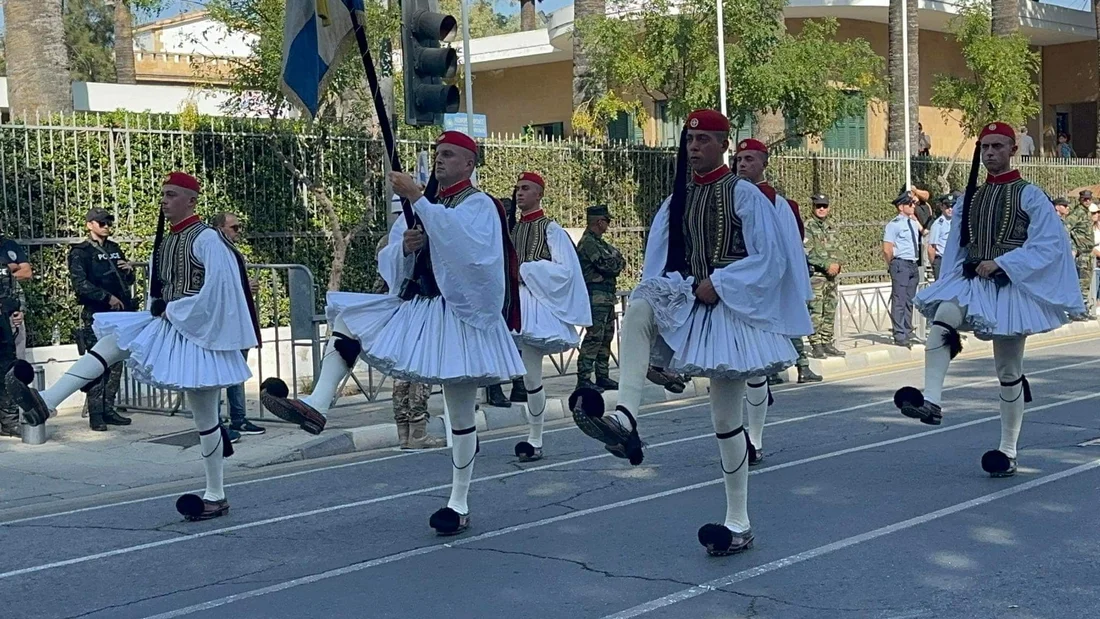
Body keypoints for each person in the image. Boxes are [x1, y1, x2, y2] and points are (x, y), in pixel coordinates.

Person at [260, 131, 524, 536]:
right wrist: (406, 247)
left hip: (461, 317)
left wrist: (418, 200)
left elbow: (471, 253)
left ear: (469, 164)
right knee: (349, 318)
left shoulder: (479, 204)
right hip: (422, 306)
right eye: (437, 153)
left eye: (449, 154)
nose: (440, 159)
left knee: (459, 412)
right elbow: (392, 254)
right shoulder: (427, 203)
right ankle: (317, 404)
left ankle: (459, 502)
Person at [569, 110, 808, 556]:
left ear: (724, 145)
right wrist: (663, 316)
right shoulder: (675, 199)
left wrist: (721, 282)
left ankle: (738, 521)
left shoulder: (744, 195)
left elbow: (770, 259)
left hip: (734, 311)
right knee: (640, 306)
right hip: (691, 298)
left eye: (703, 140)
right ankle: (626, 419)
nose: (694, 147)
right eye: (690, 140)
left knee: (725, 420)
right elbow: (658, 261)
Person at [6, 172, 261, 520]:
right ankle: (47, 401)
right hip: (171, 323)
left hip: (198, 333)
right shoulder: (167, 240)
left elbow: (219, 290)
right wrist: (161, 308)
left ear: (191, 201)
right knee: (113, 343)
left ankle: (215, 494)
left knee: (206, 419)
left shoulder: (207, 239)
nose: (164, 200)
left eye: (172, 195)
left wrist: (173, 310)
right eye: (163, 194)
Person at [894, 122, 1084, 478]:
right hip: (973, 281)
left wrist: (1004, 263)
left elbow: (1048, 245)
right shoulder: (972, 197)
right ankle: (932, 401)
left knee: (1008, 371)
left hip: (1009, 286)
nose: (990, 153)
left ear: (1013, 150)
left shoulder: (1030, 195)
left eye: (997, 146)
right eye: (985, 147)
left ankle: (1008, 451)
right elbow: (958, 244)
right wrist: (950, 279)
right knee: (944, 317)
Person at [733, 137, 815, 465]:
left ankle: (754, 440)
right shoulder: (725, 196)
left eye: (749, 159)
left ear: (764, 164)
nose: (742, 164)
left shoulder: (780, 204)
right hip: (730, 290)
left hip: (761, 296)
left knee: (754, 369)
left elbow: (790, 250)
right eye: (739, 159)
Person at [508, 172, 591, 462]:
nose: (520, 193)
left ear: (539, 194)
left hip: (535, 308)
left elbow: (566, 271)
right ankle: (467, 433)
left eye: (526, 188)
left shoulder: (551, 229)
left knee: (532, 377)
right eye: (518, 188)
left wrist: (528, 271)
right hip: (512, 306)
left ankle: (535, 438)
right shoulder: (512, 230)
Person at [67, 208, 137, 431]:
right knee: (97, 364)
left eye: (108, 223)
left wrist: (129, 271)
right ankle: (96, 414)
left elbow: (127, 279)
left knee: (115, 364)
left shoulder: (114, 248)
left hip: (119, 315)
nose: (106, 226)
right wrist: (106, 298)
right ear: (90, 225)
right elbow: (80, 284)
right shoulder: (81, 252)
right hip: (96, 314)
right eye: (101, 223)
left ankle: (109, 409)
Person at [211, 212, 265, 439]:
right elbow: (217, 286)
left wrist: (246, 288)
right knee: (218, 375)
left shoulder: (229, 250)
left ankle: (238, 418)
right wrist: (244, 288)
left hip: (237, 320)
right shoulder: (214, 251)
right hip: (224, 323)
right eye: (234, 227)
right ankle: (215, 424)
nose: (238, 232)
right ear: (219, 228)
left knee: (236, 371)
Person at [575, 205, 625, 393]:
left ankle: (602, 376)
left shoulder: (600, 243)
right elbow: (607, 265)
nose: (608, 224)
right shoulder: (588, 243)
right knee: (594, 337)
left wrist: (616, 261)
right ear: (599, 221)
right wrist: (615, 262)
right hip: (595, 297)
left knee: (606, 337)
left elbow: (620, 260)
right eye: (607, 221)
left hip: (606, 297)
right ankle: (584, 379)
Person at [805, 193, 846, 359]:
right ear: (813, 207)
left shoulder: (831, 226)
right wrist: (826, 264)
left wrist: (838, 264)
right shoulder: (808, 227)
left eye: (824, 206)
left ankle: (827, 342)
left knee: (830, 308)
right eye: (818, 206)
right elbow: (808, 252)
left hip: (832, 276)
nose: (821, 209)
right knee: (816, 310)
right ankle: (816, 344)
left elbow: (840, 249)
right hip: (816, 276)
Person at [0, 232, 33, 438]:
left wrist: (17, 308)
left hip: (7, 316)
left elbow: (25, 273)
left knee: (8, 368)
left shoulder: (8, 244)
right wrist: (11, 268)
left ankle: (9, 421)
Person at [883, 190, 924, 348]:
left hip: (913, 264)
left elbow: (924, 232)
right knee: (899, 300)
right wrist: (893, 264)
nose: (913, 206)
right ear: (901, 207)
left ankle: (907, 330)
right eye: (910, 204)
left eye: (913, 203)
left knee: (909, 300)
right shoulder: (893, 225)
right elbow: (887, 249)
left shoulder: (913, 222)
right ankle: (899, 334)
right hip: (900, 264)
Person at [927, 196, 954, 281]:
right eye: (947, 207)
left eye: (952, 206)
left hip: (953, 260)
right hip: (941, 260)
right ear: (942, 207)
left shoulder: (956, 222)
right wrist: (934, 264)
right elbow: (931, 248)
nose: (950, 209)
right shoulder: (938, 224)